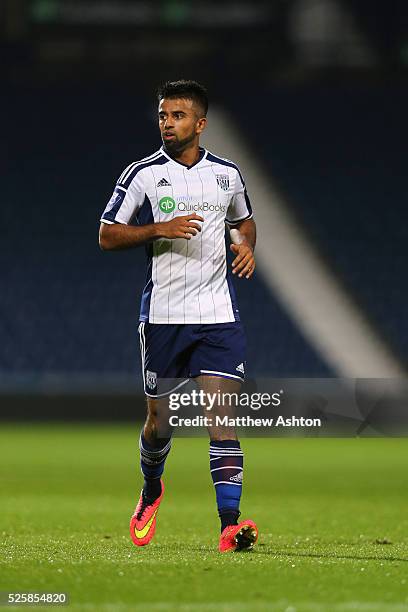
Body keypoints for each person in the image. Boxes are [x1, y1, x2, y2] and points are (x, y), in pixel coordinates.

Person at [99, 80, 258, 552]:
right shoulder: (142, 174)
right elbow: (107, 234)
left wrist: (246, 245)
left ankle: (229, 526)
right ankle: (151, 488)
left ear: (200, 124)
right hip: (165, 316)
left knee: (222, 420)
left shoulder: (227, 175)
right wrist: (157, 229)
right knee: (159, 424)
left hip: (217, 316)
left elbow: (243, 219)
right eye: (163, 115)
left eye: (178, 115)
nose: (167, 123)